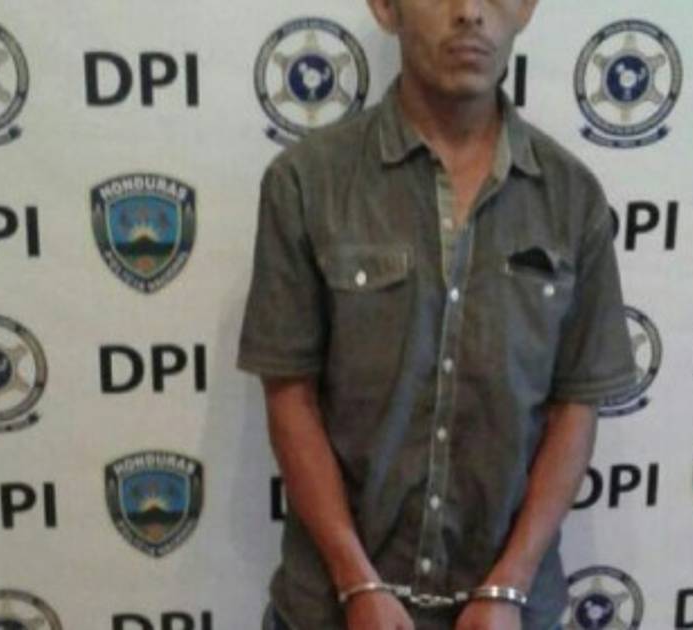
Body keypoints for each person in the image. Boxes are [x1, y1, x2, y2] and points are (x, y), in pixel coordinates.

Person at [236, 0, 637, 628]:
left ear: (527, 8)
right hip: (332, 610)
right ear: (385, 7)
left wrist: (509, 586)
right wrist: (355, 582)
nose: (470, 13)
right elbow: (290, 397)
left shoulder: (572, 199)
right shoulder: (306, 184)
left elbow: (575, 407)